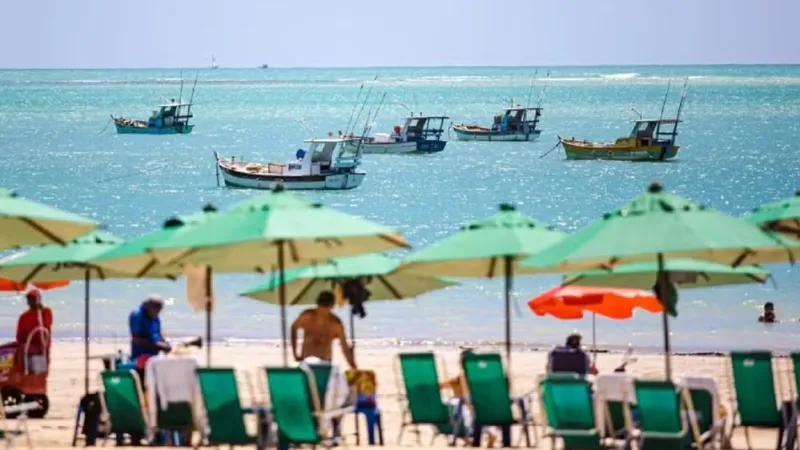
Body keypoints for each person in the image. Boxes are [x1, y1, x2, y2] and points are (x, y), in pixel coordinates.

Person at [291, 291, 357, 369]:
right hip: (306, 363)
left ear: (331, 306)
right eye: (322, 306)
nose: (323, 311)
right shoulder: (307, 316)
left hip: (325, 364)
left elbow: (344, 347)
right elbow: (293, 328)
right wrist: (295, 353)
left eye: (326, 307)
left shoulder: (335, 323)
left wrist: (353, 366)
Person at [129, 295, 171, 379]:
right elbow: (137, 339)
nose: (158, 313)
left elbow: (159, 331)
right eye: (156, 311)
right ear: (147, 307)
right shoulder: (136, 315)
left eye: (159, 311)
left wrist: (165, 341)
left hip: (156, 355)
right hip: (141, 357)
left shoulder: (155, 315)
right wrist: (159, 346)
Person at [15, 289, 52, 373]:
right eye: (29, 299)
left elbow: (46, 325)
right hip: (28, 346)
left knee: (40, 373)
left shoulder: (46, 312)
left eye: (34, 298)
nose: (31, 301)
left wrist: (40, 311)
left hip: (42, 347)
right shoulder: (24, 316)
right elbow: (19, 336)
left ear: (39, 299)